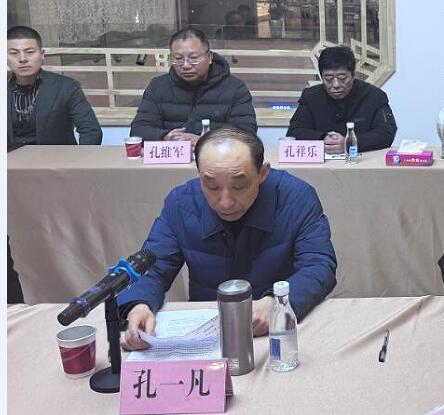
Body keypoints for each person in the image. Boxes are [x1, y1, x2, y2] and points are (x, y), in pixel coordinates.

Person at [118, 126, 337, 350]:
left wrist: (277, 303)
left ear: (263, 173)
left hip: (278, 330)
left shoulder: (296, 197)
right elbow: (153, 266)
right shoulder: (182, 203)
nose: (225, 202)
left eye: (239, 186)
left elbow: (319, 265)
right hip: (209, 332)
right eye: (211, 186)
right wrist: (138, 304)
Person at [130, 28, 257, 147]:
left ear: (209, 57)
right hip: (172, 157)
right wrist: (165, 137)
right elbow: (138, 130)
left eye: (193, 58)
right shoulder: (158, 87)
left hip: (216, 158)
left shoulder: (235, 88)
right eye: (178, 59)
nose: (185, 65)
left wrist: (205, 141)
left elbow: (247, 133)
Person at [7, 26, 102, 151]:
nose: (22, 59)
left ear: (42, 55)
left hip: (56, 160)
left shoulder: (66, 87)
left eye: (29, 52)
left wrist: (79, 159)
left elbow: (91, 130)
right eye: (14, 53)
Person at [287, 46, 397, 153]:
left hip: (361, 161)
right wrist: (322, 138)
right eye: (328, 78)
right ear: (321, 77)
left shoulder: (374, 96)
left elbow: (386, 133)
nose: (336, 84)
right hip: (323, 162)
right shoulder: (311, 96)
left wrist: (350, 142)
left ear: (353, 75)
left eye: (342, 78)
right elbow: (294, 132)